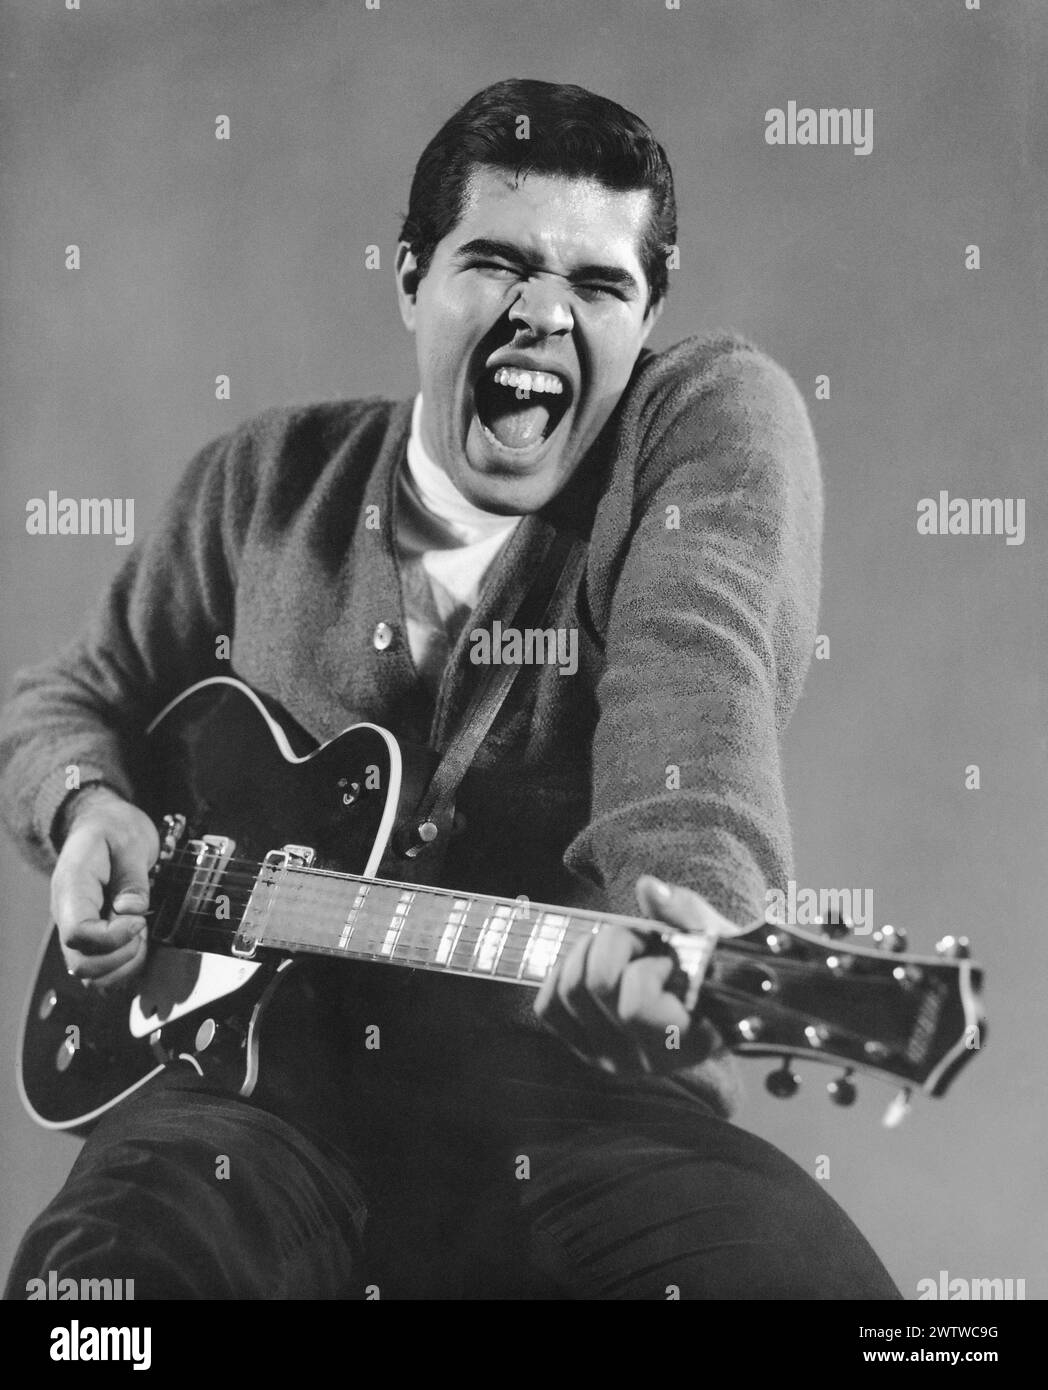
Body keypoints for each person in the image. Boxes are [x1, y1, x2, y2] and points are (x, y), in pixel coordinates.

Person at [0, 79, 900, 1299]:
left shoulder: (696, 427)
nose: (542, 314)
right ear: (411, 276)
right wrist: (84, 808)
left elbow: (699, 662)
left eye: (597, 284)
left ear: (647, 318)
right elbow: (63, 700)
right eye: (497, 263)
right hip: (244, 1104)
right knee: (93, 1296)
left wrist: (689, 918)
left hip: (567, 1101)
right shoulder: (257, 480)